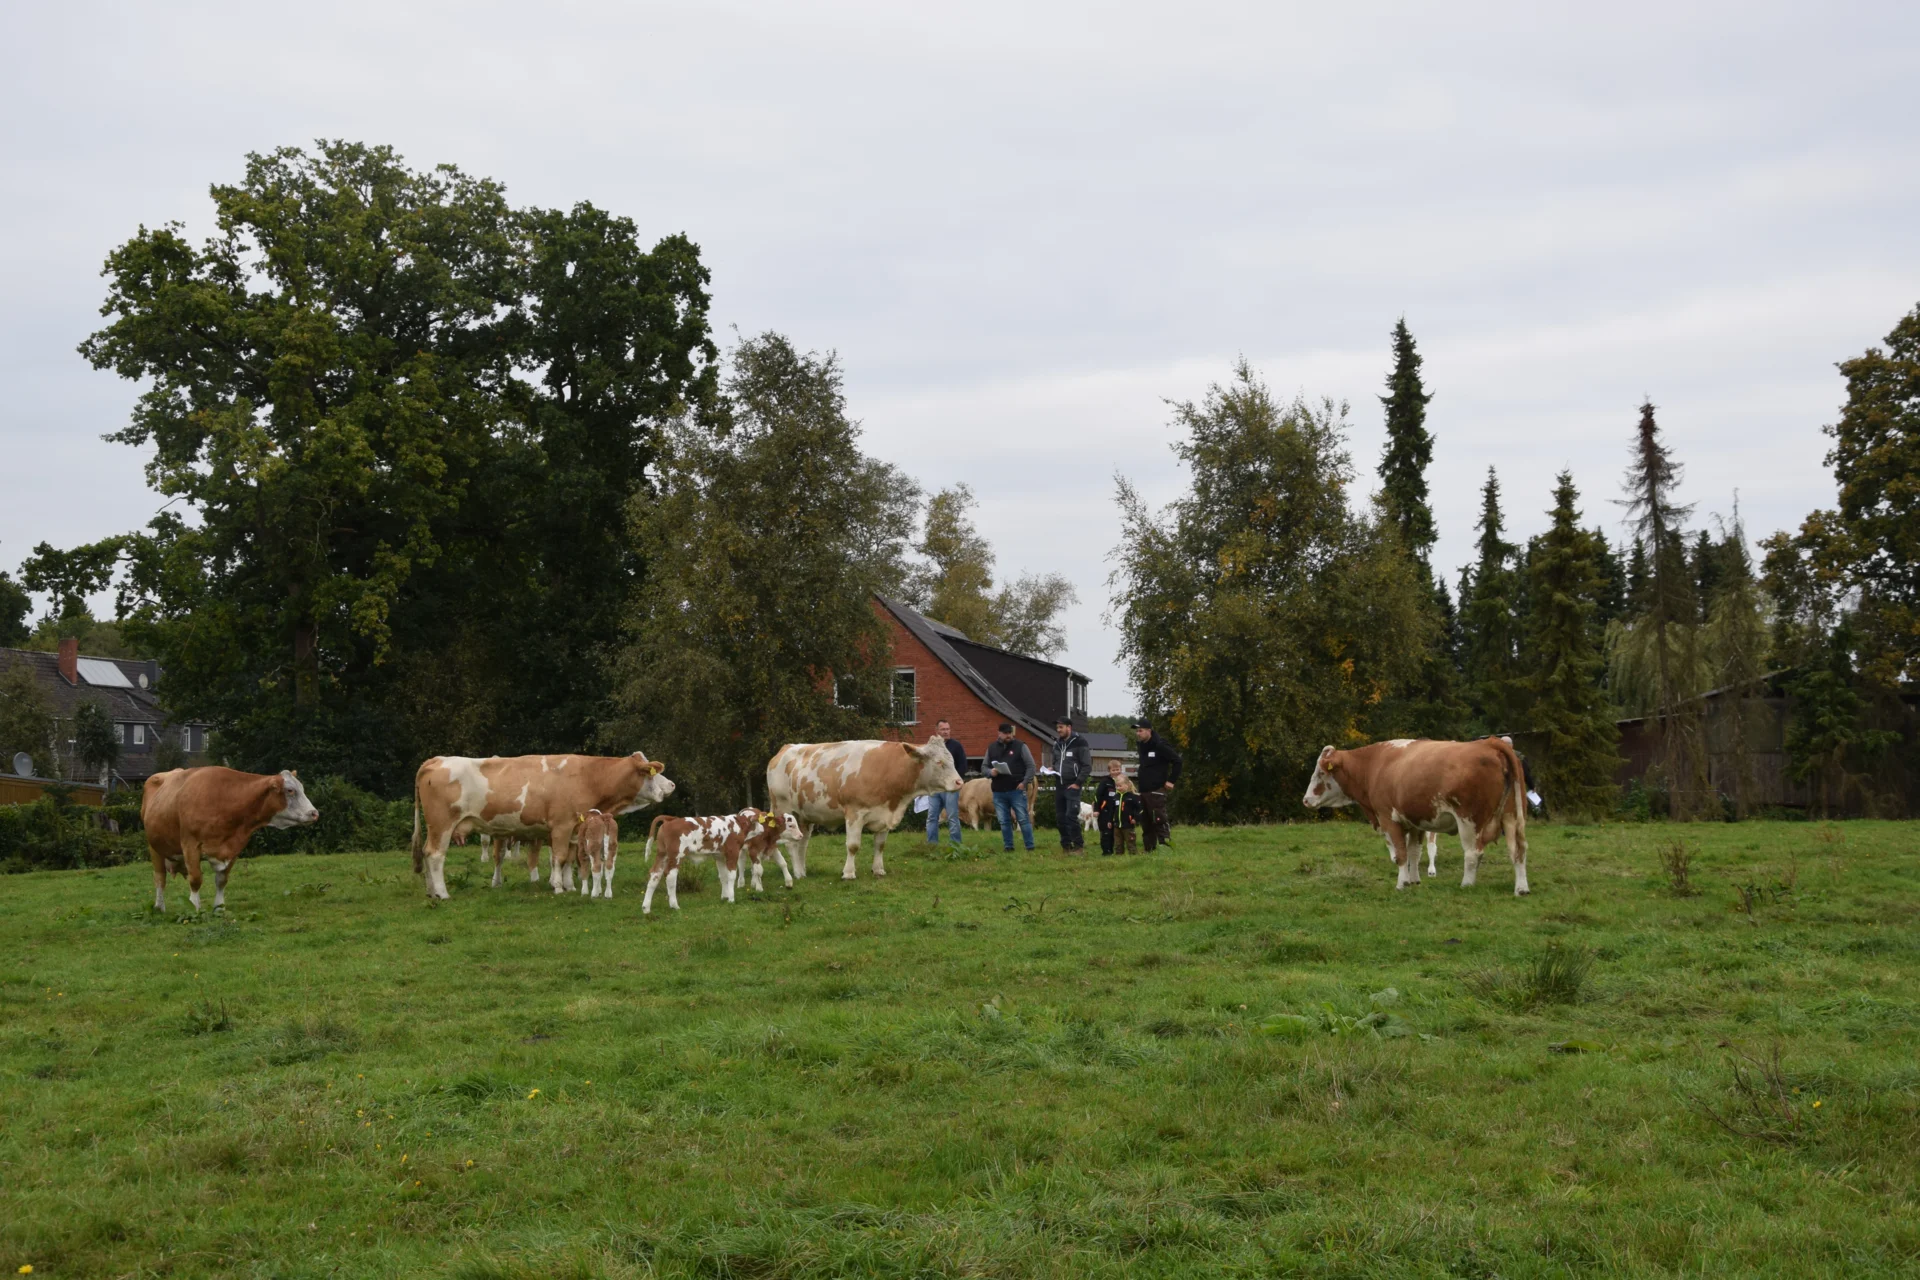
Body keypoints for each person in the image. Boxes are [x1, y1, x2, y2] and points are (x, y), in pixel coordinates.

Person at [983, 722, 1035, 852]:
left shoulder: (1021, 746)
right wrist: (991, 772)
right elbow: (984, 767)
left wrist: (1024, 782)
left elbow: (1031, 766)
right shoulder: (991, 748)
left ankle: (1030, 846)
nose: (1008, 735)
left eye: (1010, 733)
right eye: (1005, 733)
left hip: (1016, 789)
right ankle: (1008, 846)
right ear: (999, 733)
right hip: (999, 790)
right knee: (1003, 821)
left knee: (1022, 818)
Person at [1132, 718, 1182, 851]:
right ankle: (1149, 849)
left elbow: (1177, 761)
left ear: (1149, 731)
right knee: (1146, 822)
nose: (1138, 733)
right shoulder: (1142, 745)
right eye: (1137, 731)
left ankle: (1166, 847)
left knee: (1159, 819)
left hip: (1157, 790)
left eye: (1140, 730)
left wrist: (1171, 780)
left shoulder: (1160, 745)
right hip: (1143, 790)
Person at [923, 718, 968, 847]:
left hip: (950, 789)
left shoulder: (956, 746)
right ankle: (932, 844)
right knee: (932, 817)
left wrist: (955, 781)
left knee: (952, 817)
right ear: (936, 731)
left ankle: (956, 845)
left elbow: (963, 766)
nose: (946, 732)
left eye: (947, 729)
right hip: (936, 788)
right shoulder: (931, 747)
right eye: (943, 729)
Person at [1049, 715, 1091, 853]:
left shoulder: (1080, 742)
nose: (1058, 730)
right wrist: (1052, 769)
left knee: (1071, 816)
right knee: (1060, 818)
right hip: (1059, 785)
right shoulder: (1057, 744)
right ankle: (1066, 846)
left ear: (1069, 727)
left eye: (1061, 727)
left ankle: (1079, 846)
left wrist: (1078, 783)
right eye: (1057, 727)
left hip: (1072, 785)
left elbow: (1086, 766)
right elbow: (1055, 762)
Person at [1093, 758, 1143, 855]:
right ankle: (1107, 852)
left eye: (1118, 769)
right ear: (1109, 771)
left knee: (1121, 835)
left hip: (1120, 814)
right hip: (1106, 811)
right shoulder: (1105, 782)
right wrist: (1096, 809)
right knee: (1107, 833)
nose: (1116, 772)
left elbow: (1137, 806)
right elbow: (1097, 796)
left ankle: (1127, 853)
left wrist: (1135, 817)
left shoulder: (1125, 782)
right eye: (1113, 770)